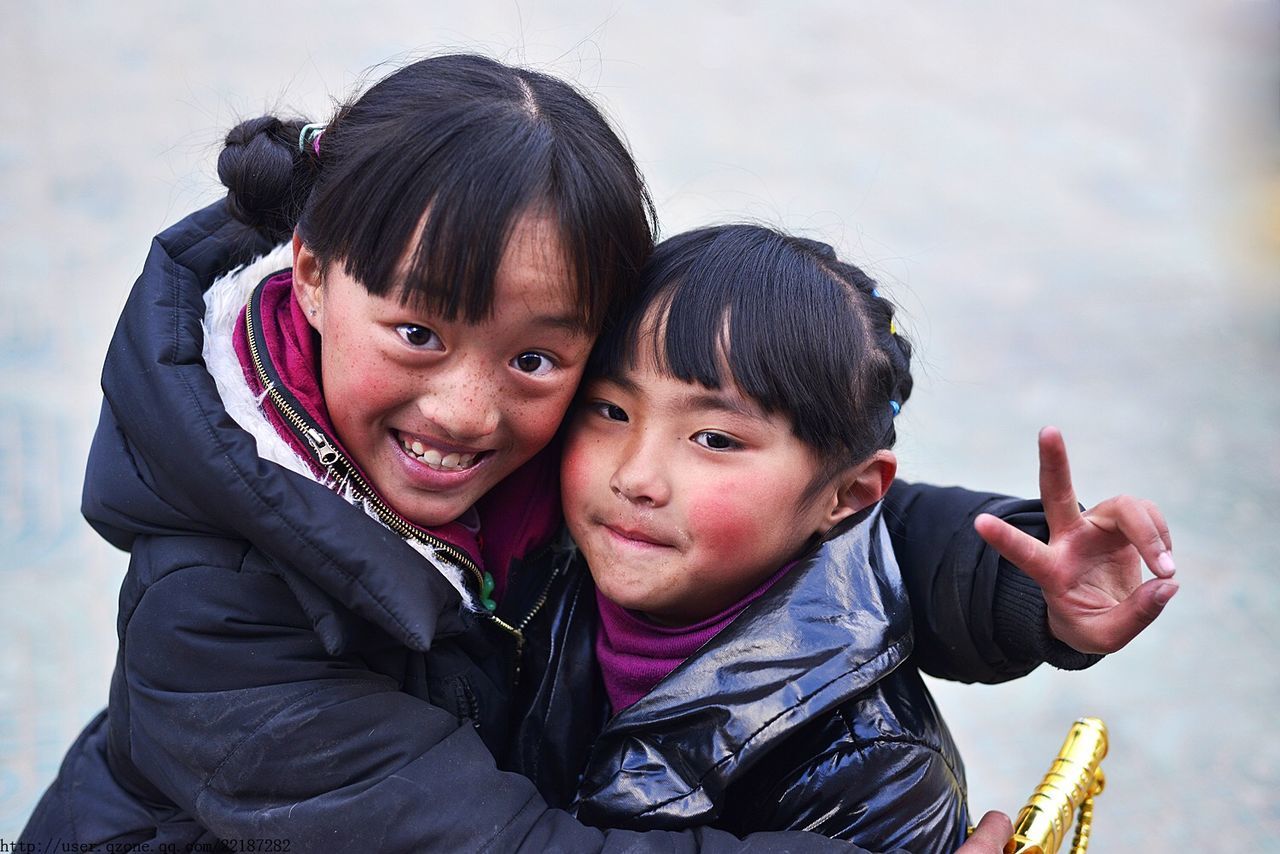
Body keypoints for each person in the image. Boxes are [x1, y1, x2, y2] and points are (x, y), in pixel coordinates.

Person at [20, 53, 1174, 852]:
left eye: (535, 357)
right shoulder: (215, 618)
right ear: (314, 273)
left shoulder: (557, 438)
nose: (467, 410)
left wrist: (1020, 584)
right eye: (416, 332)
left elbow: (800, 505)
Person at [507, 225, 1171, 852]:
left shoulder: (868, 771)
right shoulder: (525, 561)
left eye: (715, 439)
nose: (636, 476)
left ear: (847, 496)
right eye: (611, 410)